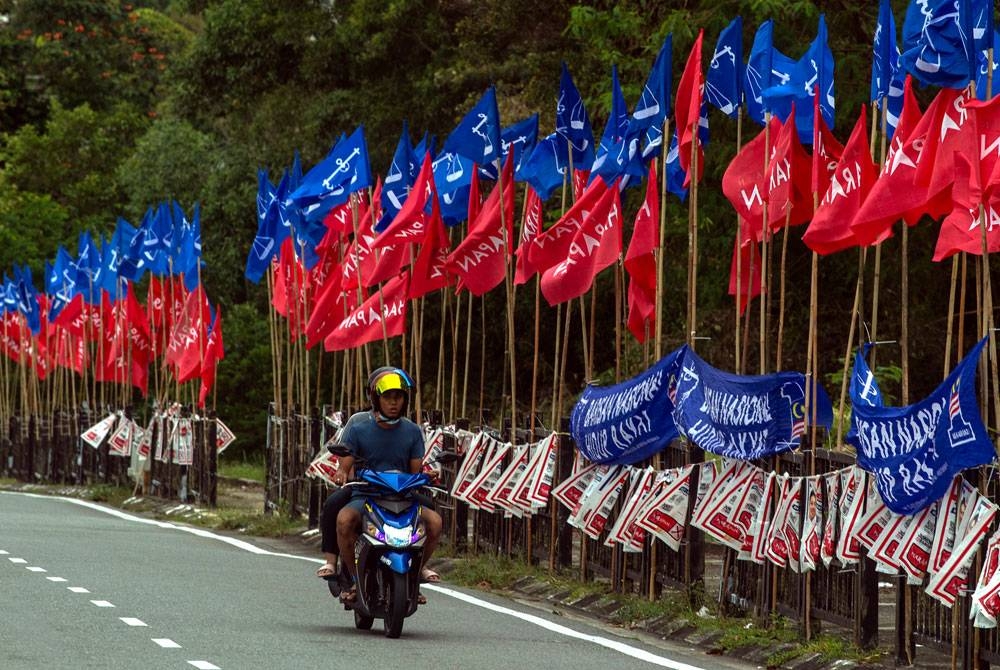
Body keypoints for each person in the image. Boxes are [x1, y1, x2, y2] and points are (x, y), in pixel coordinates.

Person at [315, 366, 442, 605]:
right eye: (387, 397)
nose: (393, 403)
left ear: (405, 400)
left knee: (434, 521)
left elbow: (416, 470)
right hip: (366, 494)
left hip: (402, 496)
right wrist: (342, 472)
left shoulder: (412, 431)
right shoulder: (359, 426)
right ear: (376, 398)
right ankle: (351, 578)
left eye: (399, 397)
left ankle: (416, 573)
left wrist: (429, 475)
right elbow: (345, 463)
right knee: (342, 518)